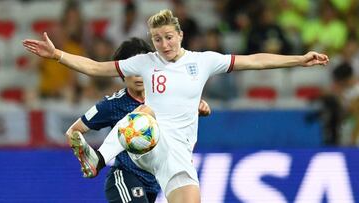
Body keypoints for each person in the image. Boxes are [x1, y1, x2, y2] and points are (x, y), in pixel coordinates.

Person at [23, 9, 329, 203]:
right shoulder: (145, 63)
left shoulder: (203, 61)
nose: (164, 44)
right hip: (150, 143)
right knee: (144, 111)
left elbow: (255, 61)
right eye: (157, 39)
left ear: (180, 35)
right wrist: (58, 56)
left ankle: (102, 157)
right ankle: (99, 158)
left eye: (168, 37)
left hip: (179, 154)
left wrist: (299, 59)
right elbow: (95, 67)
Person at [66, 37, 211, 203]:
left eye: (142, 69)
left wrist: (198, 108)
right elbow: (73, 130)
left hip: (154, 182)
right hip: (125, 178)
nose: (138, 76)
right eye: (132, 69)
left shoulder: (166, 96)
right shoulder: (113, 104)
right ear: (122, 71)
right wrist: (84, 153)